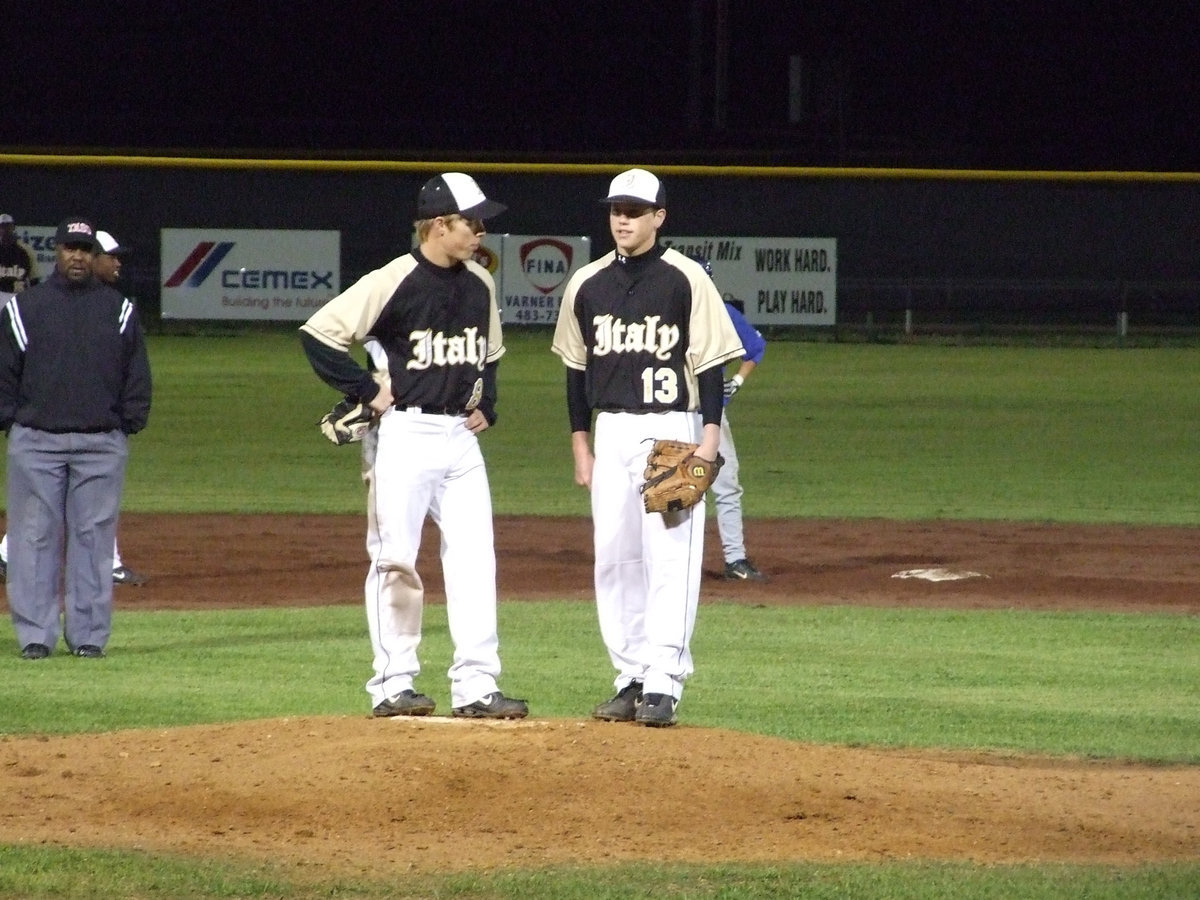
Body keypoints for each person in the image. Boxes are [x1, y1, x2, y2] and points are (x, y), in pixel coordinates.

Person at [300, 172, 528, 720]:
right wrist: (366, 390)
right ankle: (392, 683)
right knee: (395, 560)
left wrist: (487, 402)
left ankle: (476, 685)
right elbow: (318, 333)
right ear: (438, 225)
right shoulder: (393, 279)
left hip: (459, 441)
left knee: (476, 559)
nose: (480, 232)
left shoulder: (480, 283)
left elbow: (490, 352)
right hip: (403, 434)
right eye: (470, 222)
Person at [551, 168, 743, 727]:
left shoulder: (686, 278)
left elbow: (709, 363)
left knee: (670, 560)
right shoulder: (586, 283)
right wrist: (580, 443)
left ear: (659, 217)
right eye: (616, 210)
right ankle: (630, 676)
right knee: (614, 557)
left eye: (635, 211)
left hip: (673, 429)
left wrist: (708, 439)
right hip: (609, 430)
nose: (623, 220)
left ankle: (664, 679)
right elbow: (575, 369)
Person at [0, 218, 152, 660]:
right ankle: (35, 636)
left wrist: (127, 422)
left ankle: (88, 636)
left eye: (85, 249)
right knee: (33, 540)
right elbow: (5, 371)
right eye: (70, 248)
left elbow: (136, 374)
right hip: (36, 443)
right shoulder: (27, 307)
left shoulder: (119, 309)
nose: (78, 256)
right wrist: (14, 420)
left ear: (94, 255)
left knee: (93, 541)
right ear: (57, 252)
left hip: (100, 444)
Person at [689, 256, 769, 582]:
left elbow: (755, 348)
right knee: (679, 489)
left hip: (708, 413)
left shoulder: (723, 314)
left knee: (723, 485)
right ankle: (676, 560)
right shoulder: (664, 312)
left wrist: (737, 380)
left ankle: (734, 559)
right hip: (671, 414)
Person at [0, 213, 38, 294]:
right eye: (2, 226)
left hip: (17, 295)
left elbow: (34, 279)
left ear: (13, 227)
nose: (5, 229)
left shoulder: (25, 250)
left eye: (8, 226)